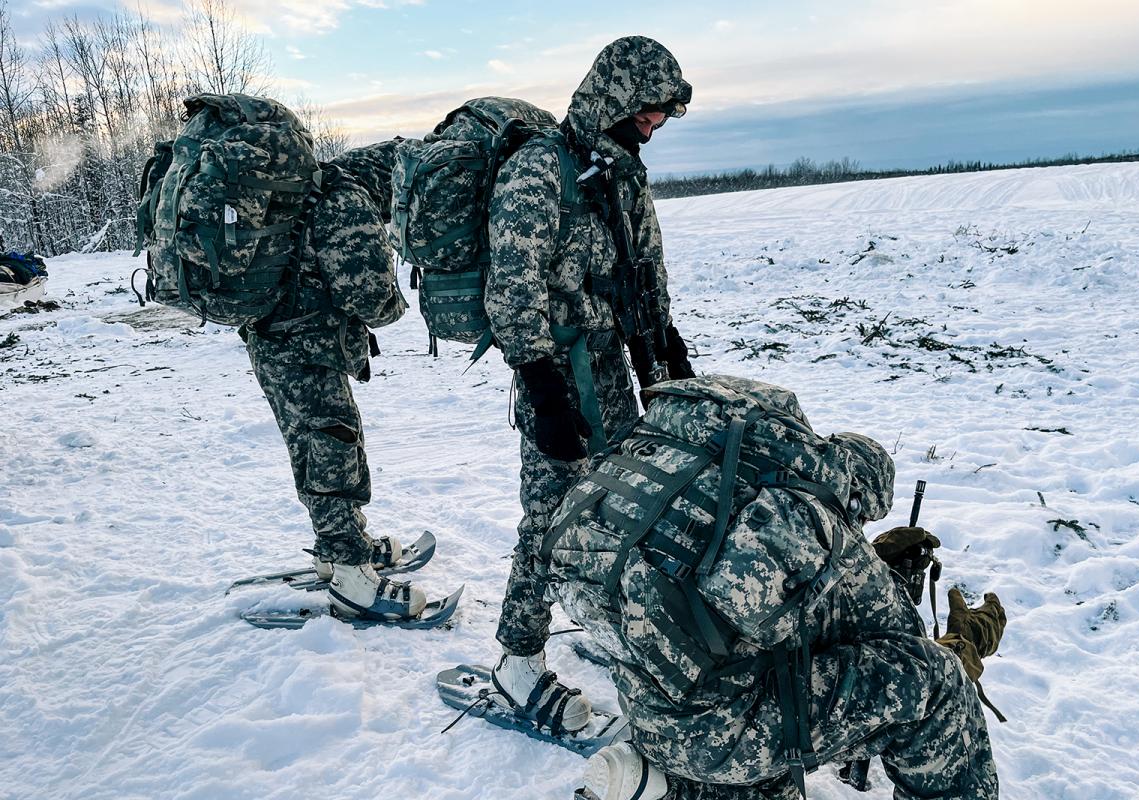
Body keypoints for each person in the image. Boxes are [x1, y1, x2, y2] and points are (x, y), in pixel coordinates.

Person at [536, 375, 1005, 800]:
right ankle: (697, 784)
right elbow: (898, 644)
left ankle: (676, 785)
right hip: (723, 738)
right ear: (859, 493)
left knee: (758, 655)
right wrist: (967, 643)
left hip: (650, 708)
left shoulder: (699, 471)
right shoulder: (804, 522)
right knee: (936, 680)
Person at [484, 35, 696, 732]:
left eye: (662, 115)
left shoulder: (623, 175)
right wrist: (543, 390)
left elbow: (645, 274)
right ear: (613, 96)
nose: (654, 125)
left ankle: (610, 626)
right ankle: (517, 662)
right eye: (646, 111)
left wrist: (667, 355)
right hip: (559, 377)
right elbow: (511, 288)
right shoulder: (540, 171)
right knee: (548, 522)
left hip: (617, 377)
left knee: (630, 512)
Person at [242, 139, 429, 621]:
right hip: (308, 348)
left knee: (312, 447)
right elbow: (370, 296)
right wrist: (397, 304)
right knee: (334, 452)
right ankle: (351, 576)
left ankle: (335, 550)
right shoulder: (348, 201)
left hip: (271, 340)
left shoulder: (310, 190)